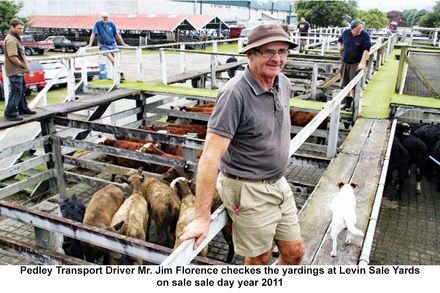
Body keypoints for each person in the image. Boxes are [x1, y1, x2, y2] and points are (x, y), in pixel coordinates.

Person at [180, 24, 305, 265]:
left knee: (294, 253)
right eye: (268, 51)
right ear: (250, 54)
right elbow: (209, 156)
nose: (277, 58)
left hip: (278, 182)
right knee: (259, 258)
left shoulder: (283, 83)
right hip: (247, 189)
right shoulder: (234, 94)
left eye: (282, 51)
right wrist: (201, 217)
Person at [3, 18, 36, 121]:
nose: (21, 30)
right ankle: (10, 113)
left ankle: (23, 108)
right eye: (19, 28)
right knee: (16, 91)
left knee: (21, 91)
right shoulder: (11, 40)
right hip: (15, 70)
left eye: (22, 29)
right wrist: (22, 65)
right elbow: (13, 56)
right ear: (12, 27)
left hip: (18, 70)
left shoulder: (15, 38)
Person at [337, 19, 371, 111]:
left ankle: (354, 106)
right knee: (345, 83)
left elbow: (366, 50)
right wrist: (340, 47)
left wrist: (363, 62)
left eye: (361, 29)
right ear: (353, 29)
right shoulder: (346, 33)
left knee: (355, 85)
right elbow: (339, 40)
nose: (360, 31)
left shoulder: (365, 35)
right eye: (358, 29)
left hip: (356, 63)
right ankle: (347, 104)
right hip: (345, 62)